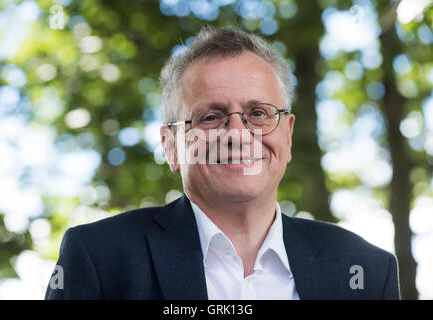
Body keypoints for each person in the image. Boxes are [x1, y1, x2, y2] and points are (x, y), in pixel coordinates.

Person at [45, 26, 400, 300]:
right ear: (171, 147)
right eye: (212, 117)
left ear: (287, 136)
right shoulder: (99, 258)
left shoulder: (367, 269)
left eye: (258, 113)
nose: (237, 133)